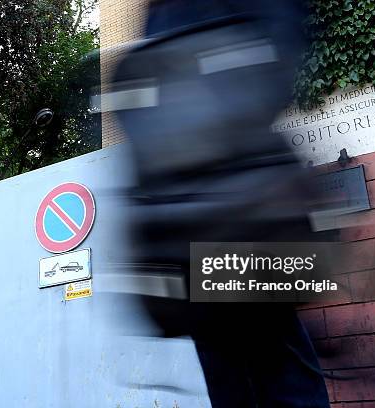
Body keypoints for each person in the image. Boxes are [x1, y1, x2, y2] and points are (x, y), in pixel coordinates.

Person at [111, 0, 331, 406]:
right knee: (271, 356)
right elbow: (283, 46)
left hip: (189, 214)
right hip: (239, 200)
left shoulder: (161, 16)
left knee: (236, 357)